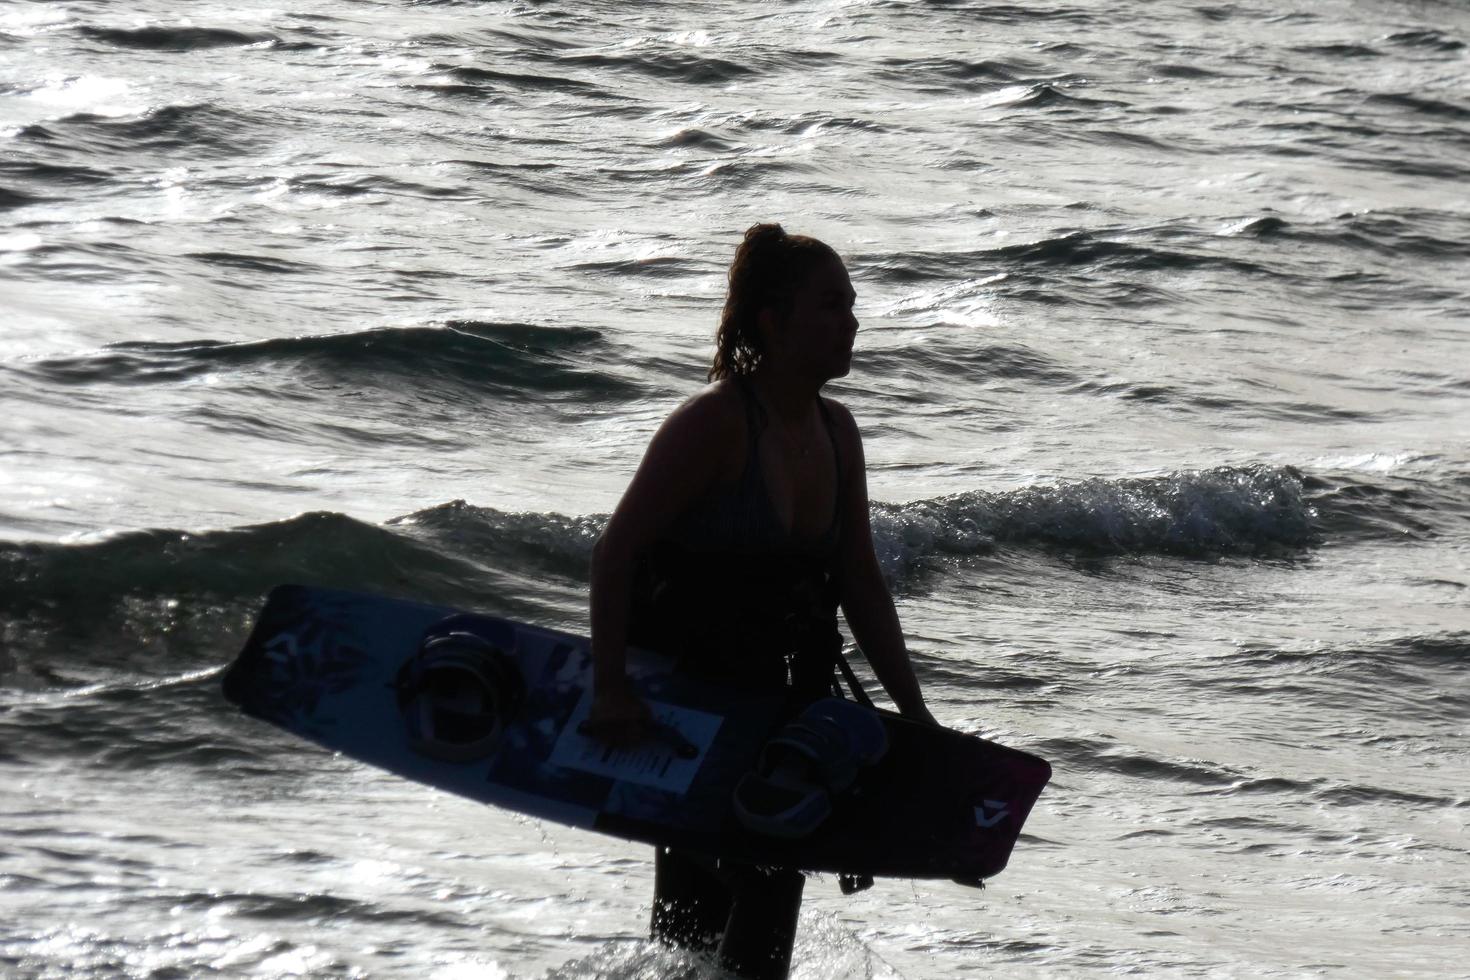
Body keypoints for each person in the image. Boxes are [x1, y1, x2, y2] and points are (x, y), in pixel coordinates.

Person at [587, 222, 936, 980]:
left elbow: (861, 583)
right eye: (831, 306)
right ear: (774, 324)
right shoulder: (713, 425)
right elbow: (616, 551)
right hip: (688, 704)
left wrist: (914, 717)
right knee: (738, 891)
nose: (852, 322)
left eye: (852, 304)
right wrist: (611, 688)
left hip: (782, 711)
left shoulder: (839, 434)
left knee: (730, 902)